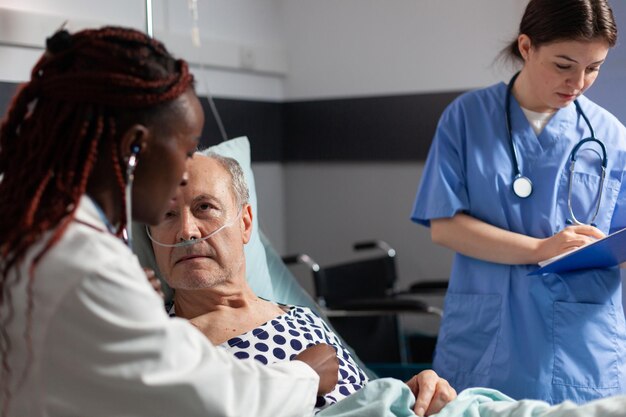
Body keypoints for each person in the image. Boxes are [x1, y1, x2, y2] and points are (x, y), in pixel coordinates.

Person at [0, 26, 341, 417]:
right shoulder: (83, 263)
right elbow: (207, 402)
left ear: (246, 224)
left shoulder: (46, 237)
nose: (184, 174)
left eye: (206, 207)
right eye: (185, 149)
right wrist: (303, 374)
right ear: (134, 148)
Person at [411, 0, 626, 405]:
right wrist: (541, 249)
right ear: (527, 47)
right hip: (490, 337)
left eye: (593, 68)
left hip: (582, 342)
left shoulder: (612, 136)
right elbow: (444, 224)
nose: (578, 82)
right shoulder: (466, 118)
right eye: (564, 65)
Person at [146, 152, 457, 416]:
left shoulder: (301, 318)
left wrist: (411, 395)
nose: (187, 231)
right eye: (167, 214)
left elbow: (356, 402)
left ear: (244, 223)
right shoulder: (157, 343)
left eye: (204, 208)